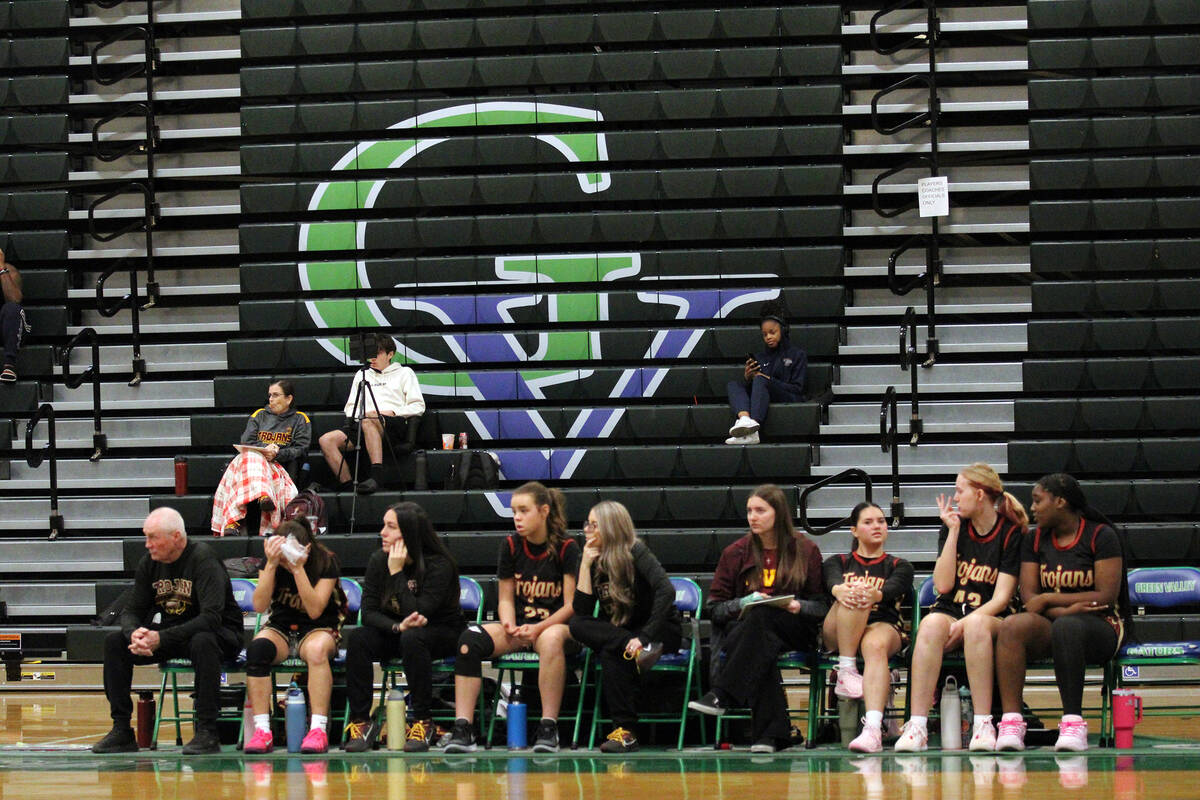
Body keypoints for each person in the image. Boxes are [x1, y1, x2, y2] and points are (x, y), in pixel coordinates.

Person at [895, 463, 1027, 752]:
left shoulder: (1010, 533)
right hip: (952, 609)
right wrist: (953, 533)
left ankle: (983, 724)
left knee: (977, 626)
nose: (954, 498)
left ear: (979, 495)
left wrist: (965, 624)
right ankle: (917, 725)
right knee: (929, 625)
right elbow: (942, 586)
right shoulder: (954, 526)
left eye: (959, 490)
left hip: (992, 613)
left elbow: (1002, 597)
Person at [689, 484, 828, 753]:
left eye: (760, 511)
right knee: (760, 634)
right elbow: (714, 609)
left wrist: (798, 606)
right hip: (748, 631)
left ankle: (722, 693)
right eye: (750, 511)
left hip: (794, 627)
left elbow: (822, 607)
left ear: (778, 513)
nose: (753, 517)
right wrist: (743, 602)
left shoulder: (805, 549)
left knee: (762, 621)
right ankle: (771, 736)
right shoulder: (735, 552)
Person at [444, 481, 581, 753]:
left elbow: (571, 605)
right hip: (520, 628)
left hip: (556, 627)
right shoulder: (509, 545)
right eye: (514, 511)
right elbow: (505, 597)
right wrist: (508, 623)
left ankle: (548, 726)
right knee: (469, 640)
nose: (517, 517)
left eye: (523, 510)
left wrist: (538, 628)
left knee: (552, 639)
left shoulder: (567, 547)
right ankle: (464, 728)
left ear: (543, 511)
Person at [92, 507, 243, 754]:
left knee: (202, 641)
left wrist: (160, 638)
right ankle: (122, 730)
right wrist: (134, 633)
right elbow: (132, 610)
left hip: (221, 635)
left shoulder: (203, 559)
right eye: (146, 536)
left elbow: (211, 619)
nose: (147, 544)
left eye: (153, 537)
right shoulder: (149, 564)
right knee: (114, 642)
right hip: (176, 633)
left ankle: (207, 731)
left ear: (176, 537)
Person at [994, 473, 1126, 753]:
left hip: (1100, 626)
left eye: (1038, 501)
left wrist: (1050, 599)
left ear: (1061, 502)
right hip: (1056, 622)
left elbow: (1105, 596)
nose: (1033, 508)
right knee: (1012, 626)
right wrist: (1063, 608)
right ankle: (1012, 722)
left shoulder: (1101, 536)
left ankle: (1073, 722)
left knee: (1068, 627)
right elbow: (1030, 600)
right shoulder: (1035, 540)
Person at [342, 502, 465, 753]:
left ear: (409, 532)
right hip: (400, 630)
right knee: (358, 639)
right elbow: (369, 613)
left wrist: (397, 573)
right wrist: (397, 626)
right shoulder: (378, 559)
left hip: (442, 632)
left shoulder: (439, 564)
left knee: (414, 638)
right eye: (383, 526)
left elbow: (419, 613)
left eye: (390, 527)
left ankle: (422, 720)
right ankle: (362, 722)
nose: (382, 533)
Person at [568, 500, 682, 753]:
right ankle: (626, 734)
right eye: (587, 523)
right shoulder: (587, 557)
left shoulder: (635, 550)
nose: (587, 529)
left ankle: (626, 730)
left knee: (612, 650)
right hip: (625, 636)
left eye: (594, 525)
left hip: (659, 629)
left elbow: (666, 590)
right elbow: (582, 611)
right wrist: (585, 566)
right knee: (577, 625)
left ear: (610, 527)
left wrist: (644, 636)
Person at [243, 518, 344, 755]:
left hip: (319, 627)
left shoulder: (325, 560)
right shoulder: (272, 561)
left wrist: (298, 569)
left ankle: (318, 729)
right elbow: (259, 606)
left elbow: (315, 609)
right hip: (282, 627)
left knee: (317, 651)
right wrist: (270, 565)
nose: (287, 558)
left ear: (306, 547)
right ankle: (263, 730)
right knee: (257, 649)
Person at [823, 502, 914, 753]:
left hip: (881, 626)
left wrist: (873, 594)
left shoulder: (900, 565)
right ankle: (847, 669)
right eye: (868, 522)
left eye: (881, 521)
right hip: (839, 629)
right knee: (853, 592)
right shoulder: (837, 561)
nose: (877, 526)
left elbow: (893, 589)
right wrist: (839, 589)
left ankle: (872, 729)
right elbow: (830, 579)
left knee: (874, 641)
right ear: (854, 530)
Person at [319, 333, 424, 495]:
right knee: (326, 440)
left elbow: (418, 405)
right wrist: (360, 415)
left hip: (392, 424)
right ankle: (347, 485)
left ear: (390, 354)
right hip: (362, 422)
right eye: (371, 353)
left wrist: (393, 411)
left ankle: (376, 476)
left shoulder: (405, 373)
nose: (373, 358)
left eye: (378, 353)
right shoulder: (362, 374)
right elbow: (350, 407)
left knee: (369, 419)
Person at [210, 379, 311, 536]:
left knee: (246, 460)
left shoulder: (300, 419)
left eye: (276, 395)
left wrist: (277, 453)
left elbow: (301, 449)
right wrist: (266, 450)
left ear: (289, 399)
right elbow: (246, 442)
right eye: (270, 395)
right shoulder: (259, 415)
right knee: (250, 456)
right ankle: (263, 495)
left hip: (278, 467)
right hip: (254, 463)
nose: (271, 399)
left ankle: (233, 522)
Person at [724, 299, 807, 445]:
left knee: (761, 380)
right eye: (764, 334)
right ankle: (745, 419)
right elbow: (757, 386)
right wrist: (748, 378)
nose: (768, 337)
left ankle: (753, 430)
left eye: (772, 332)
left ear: (783, 330)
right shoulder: (760, 357)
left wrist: (767, 379)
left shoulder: (797, 354)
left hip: (788, 396)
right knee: (734, 384)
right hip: (764, 394)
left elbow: (798, 389)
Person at [0, 247, 28, 383]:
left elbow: (15, 298)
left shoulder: (9, 271)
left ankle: (9, 366)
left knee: (12, 308)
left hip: (10, 328)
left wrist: (1, 267)